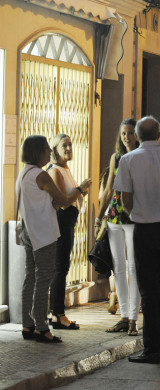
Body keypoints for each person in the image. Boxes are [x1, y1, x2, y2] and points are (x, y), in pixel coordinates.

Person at [114, 116, 160, 363]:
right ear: (158, 133)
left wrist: (137, 212)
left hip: (145, 229)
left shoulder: (128, 160)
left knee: (148, 289)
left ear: (137, 134)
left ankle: (151, 349)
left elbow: (125, 198)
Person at [17, 135, 91, 342]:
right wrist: (81, 189)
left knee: (30, 278)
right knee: (44, 279)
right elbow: (65, 200)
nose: (49, 153)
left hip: (29, 232)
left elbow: (41, 203)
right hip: (44, 233)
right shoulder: (42, 175)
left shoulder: (24, 173)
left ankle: (27, 324)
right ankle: (42, 327)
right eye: (46, 150)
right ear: (38, 152)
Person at [97, 119, 142, 334]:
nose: (127, 137)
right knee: (119, 267)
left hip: (134, 215)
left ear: (138, 135)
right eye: (124, 133)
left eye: (131, 133)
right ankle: (124, 316)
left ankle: (133, 318)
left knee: (134, 267)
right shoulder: (116, 157)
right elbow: (107, 190)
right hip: (114, 215)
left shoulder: (142, 157)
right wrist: (99, 217)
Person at [47, 134, 86, 330]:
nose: (69, 148)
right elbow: (63, 202)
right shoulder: (55, 171)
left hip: (69, 222)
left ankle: (57, 312)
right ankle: (57, 313)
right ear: (55, 149)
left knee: (62, 266)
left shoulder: (65, 169)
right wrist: (80, 189)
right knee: (60, 267)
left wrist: (79, 191)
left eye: (71, 144)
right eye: (65, 145)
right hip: (61, 223)